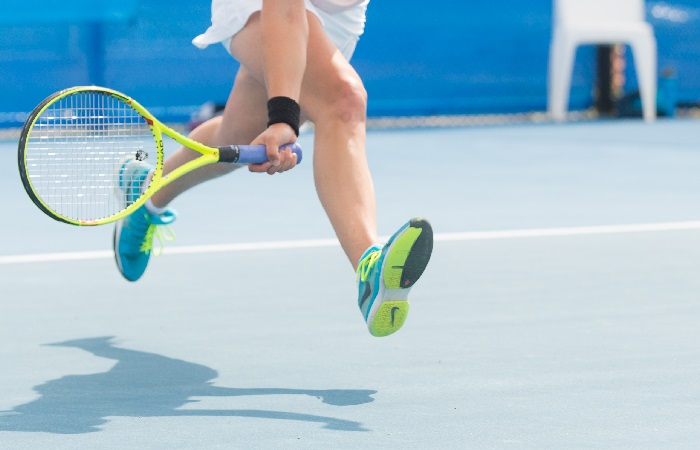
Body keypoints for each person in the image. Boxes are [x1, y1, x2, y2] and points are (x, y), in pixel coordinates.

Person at [112, 0, 433, 337]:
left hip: (340, 18)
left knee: (238, 136)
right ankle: (369, 267)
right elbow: (283, 10)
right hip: (266, 6)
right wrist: (283, 116)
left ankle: (146, 189)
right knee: (343, 101)